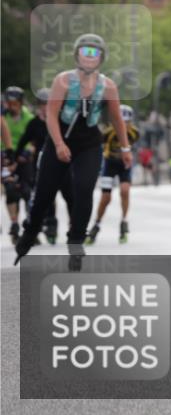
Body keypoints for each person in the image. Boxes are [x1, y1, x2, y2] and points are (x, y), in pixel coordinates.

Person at [14, 34, 133, 271]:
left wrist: (126, 147)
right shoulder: (63, 81)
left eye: (94, 53)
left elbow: (117, 119)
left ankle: (76, 241)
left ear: (101, 58)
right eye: (85, 52)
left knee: (83, 188)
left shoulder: (108, 86)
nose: (89, 57)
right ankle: (28, 235)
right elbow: (50, 115)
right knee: (45, 194)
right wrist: (58, 144)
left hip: (89, 143)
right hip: (59, 140)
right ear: (77, 54)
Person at [15, 88, 71, 244]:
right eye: (42, 104)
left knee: (69, 194)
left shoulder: (62, 121)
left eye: (48, 104)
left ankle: (70, 225)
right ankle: (45, 225)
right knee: (44, 195)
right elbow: (23, 140)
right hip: (42, 164)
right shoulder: (34, 123)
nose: (45, 107)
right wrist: (16, 155)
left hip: (62, 162)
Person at [86, 104, 140, 244]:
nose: (124, 125)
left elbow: (133, 146)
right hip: (109, 164)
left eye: (126, 122)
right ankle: (96, 224)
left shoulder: (135, 132)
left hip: (124, 165)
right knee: (106, 197)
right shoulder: (107, 132)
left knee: (125, 190)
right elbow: (98, 146)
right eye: (120, 122)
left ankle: (124, 220)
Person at [2, 86, 34, 243]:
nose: (12, 106)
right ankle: (14, 224)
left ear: (21, 103)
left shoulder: (28, 117)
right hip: (6, 156)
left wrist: (25, 153)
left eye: (15, 103)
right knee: (11, 190)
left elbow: (33, 140)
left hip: (23, 157)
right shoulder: (3, 117)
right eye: (9, 103)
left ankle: (30, 227)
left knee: (28, 191)